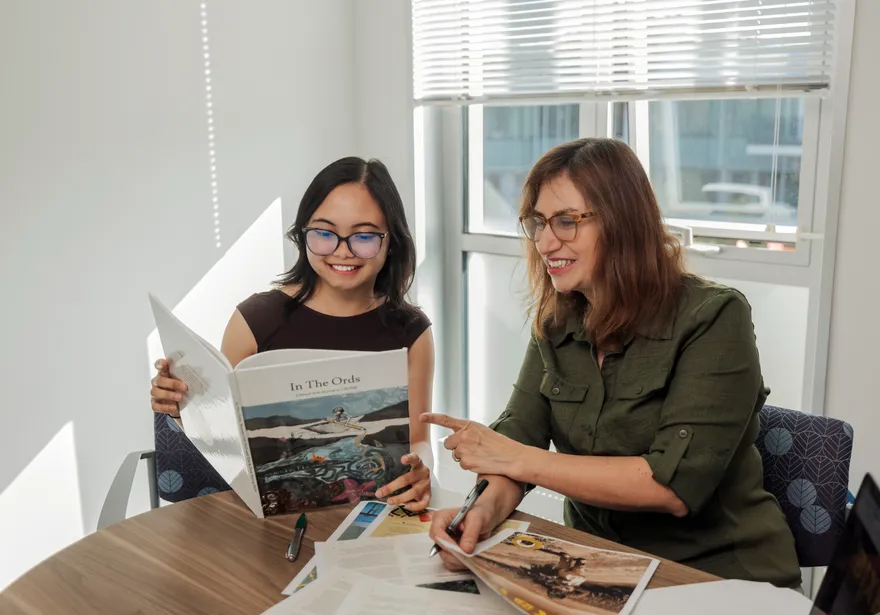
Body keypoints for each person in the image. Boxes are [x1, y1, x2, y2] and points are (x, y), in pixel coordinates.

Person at [423, 138, 802, 587]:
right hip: (596, 567)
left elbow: (671, 487)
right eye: (538, 223)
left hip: (715, 576)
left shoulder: (716, 317)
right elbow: (518, 439)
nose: (545, 242)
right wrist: (481, 514)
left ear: (624, 222)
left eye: (567, 222)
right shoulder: (555, 322)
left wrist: (517, 458)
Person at [150, 156, 434, 511]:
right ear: (303, 235)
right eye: (324, 233)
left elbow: (419, 440)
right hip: (262, 523)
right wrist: (179, 410)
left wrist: (422, 468)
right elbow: (221, 442)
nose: (342, 251)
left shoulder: (411, 331)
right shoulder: (255, 319)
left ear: (391, 240)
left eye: (363, 236)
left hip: (371, 514)